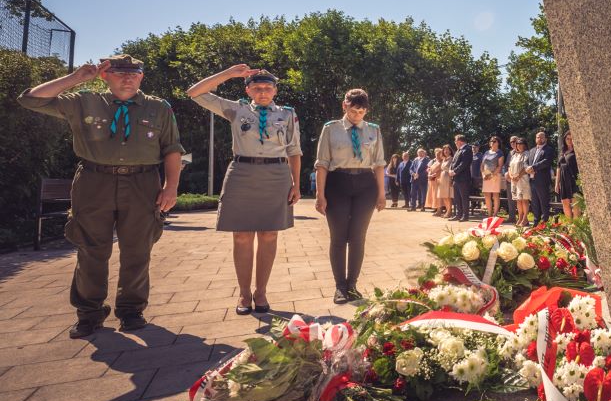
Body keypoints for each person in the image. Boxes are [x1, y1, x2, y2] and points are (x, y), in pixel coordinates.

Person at [18, 55, 184, 338]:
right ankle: (89, 313)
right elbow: (30, 99)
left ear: (142, 76)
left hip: (142, 183)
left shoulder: (158, 107)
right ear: (105, 76)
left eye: (134, 73)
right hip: (95, 182)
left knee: (138, 249)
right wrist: (76, 78)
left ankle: (131, 311)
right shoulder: (83, 101)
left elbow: (172, 148)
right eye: (119, 73)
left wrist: (171, 187)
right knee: (91, 249)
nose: (128, 78)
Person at [187, 65, 301, 315]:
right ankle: (243, 293)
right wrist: (228, 73)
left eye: (268, 88)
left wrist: (296, 184)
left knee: (270, 234)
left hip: (276, 175)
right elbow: (194, 93)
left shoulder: (288, 114)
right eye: (257, 88)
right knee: (241, 235)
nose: (263, 92)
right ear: (248, 89)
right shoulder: (236, 109)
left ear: (275, 90)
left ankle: (261, 292)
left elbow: (294, 150)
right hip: (242, 172)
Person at [315, 88, 386, 304]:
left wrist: (382, 193)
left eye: (362, 112)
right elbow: (322, 163)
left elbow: (380, 163)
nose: (357, 116)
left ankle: (352, 285)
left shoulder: (374, 130)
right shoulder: (331, 129)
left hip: (366, 185)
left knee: (358, 237)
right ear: (344, 106)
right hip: (337, 183)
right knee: (338, 237)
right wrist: (320, 194)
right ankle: (340, 287)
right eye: (354, 111)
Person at [525, 129, 556, 225]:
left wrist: (533, 167)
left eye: (542, 137)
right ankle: (535, 222)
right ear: (535, 139)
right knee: (534, 202)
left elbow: (546, 162)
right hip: (532, 180)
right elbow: (526, 162)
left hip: (542, 181)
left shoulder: (549, 150)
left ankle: (544, 223)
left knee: (543, 202)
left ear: (545, 139)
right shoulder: (532, 150)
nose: (540, 139)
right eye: (538, 137)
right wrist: (527, 168)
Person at [555, 128, 580, 219]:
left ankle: (576, 227)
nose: (569, 141)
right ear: (565, 140)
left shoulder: (577, 151)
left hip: (573, 179)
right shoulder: (562, 152)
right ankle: (570, 225)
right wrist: (557, 183)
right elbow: (558, 167)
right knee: (565, 202)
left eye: (571, 138)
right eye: (567, 139)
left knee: (575, 202)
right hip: (563, 180)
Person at [449, 134, 473, 222]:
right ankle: (458, 214)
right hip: (456, 178)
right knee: (457, 198)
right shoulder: (459, 150)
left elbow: (464, 164)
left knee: (464, 197)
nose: (455, 143)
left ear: (460, 141)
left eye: (455, 141)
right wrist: (450, 170)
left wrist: (454, 171)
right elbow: (453, 162)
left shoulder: (467, 149)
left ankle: (465, 216)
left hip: (463, 178)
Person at [507, 137, 531, 226]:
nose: (519, 145)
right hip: (514, 180)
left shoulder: (527, 154)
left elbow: (526, 167)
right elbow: (509, 167)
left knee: (524, 199)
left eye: (521, 143)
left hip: (523, 179)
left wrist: (518, 175)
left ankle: (525, 218)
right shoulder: (514, 155)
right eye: (517, 144)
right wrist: (511, 175)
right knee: (518, 200)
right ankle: (520, 217)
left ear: (525, 145)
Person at [481, 136, 505, 218]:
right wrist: (484, 174)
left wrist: (491, 175)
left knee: (495, 195)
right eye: (491, 141)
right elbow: (482, 165)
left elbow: (500, 166)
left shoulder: (500, 153)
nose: (492, 142)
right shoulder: (486, 152)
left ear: (498, 143)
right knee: (487, 195)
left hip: (495, 176)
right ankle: (489, 213)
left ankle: (495, 214)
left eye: (494, 141)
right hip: (486, 175)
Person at [504, 135, 519, 222]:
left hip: (519, 179)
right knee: (510, 199)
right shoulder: (510, 153)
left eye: (514, 141)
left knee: (520, 199)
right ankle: (512, 217)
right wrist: (506, 174)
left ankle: (522, 218)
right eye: (511, 142)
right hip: (509, 179)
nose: (513, 143)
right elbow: (506, 165)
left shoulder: (523, 152)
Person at [438, 144, 454, 216]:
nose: (446, 151)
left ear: (450, 151)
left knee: (448, 196)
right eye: (444, 150)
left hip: (448, 177)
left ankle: (449, 211)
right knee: (443, 195)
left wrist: (451, 179)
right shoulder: (444, 159)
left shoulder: (452, 159)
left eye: (447, 149)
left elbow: (451, 170)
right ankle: (447, 210)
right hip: (442, 178)